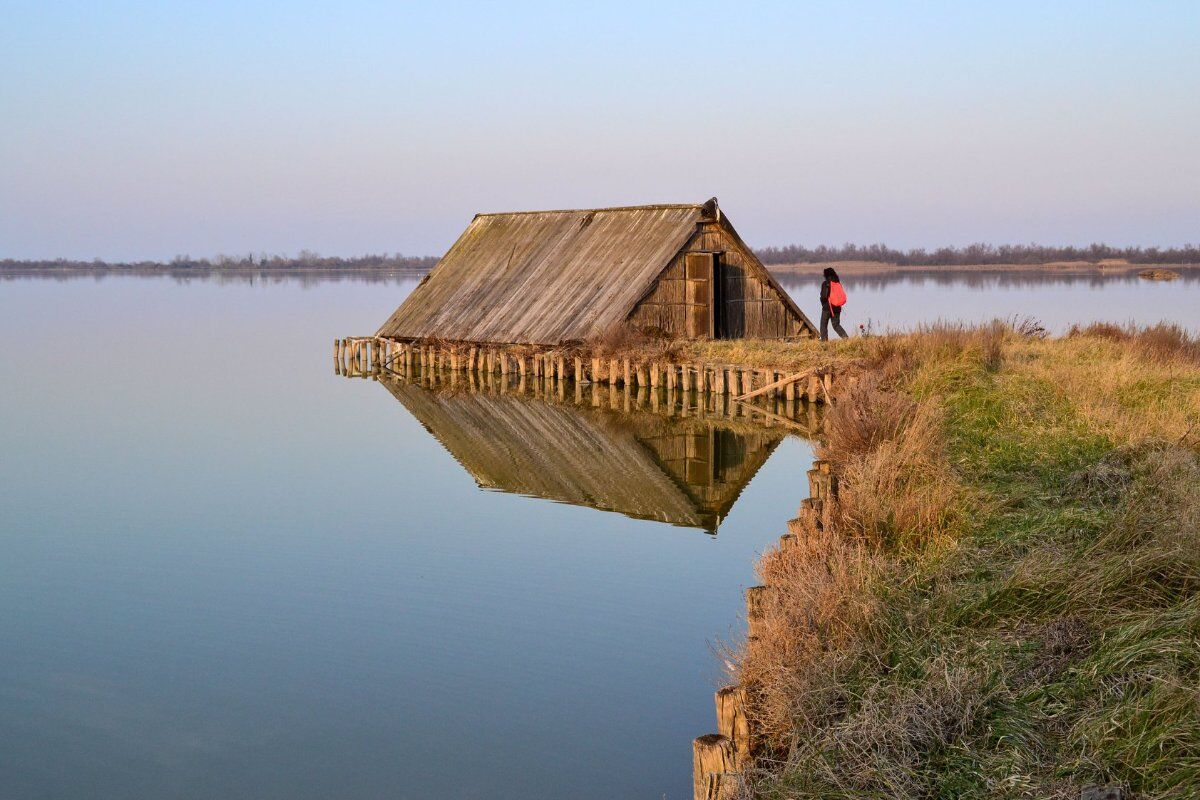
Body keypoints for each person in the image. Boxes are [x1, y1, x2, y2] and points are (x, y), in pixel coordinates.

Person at [819, 267, 849, 341]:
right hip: (837, 307)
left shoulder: (825, 283)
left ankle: (824, 342)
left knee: (823, 325)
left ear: (826, 275)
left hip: (827, 308)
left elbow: (823, 296)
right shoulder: (838, 283)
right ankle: (846, 338)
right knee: (836, 325)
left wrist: (823, 304)